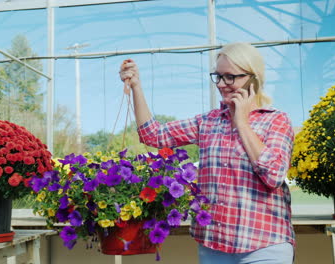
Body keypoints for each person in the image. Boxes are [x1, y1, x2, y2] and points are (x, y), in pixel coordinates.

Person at [119, 42, 295, 264]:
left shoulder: (276, 121)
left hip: (264, 246)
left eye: (230, 77)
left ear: (253, 79)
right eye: (218, 76)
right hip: (214, 246)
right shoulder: (208, 121)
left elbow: (274, 175)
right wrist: (136, 86)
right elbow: (153, 135)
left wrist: (241, 122)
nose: (222, 84)